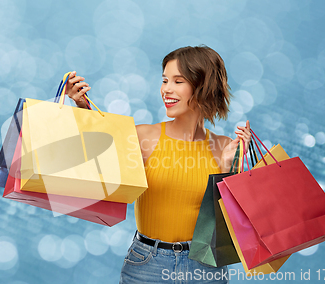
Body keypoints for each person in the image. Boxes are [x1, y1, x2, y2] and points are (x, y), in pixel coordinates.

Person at [66, 45, 251, 283]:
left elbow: (231, 230)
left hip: (206, 268)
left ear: (203, 87)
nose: (166, 89)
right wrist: (82, 106)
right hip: (147, 264)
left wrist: (228, 168)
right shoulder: (144, 137)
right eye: (165, 81)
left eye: (178, 81)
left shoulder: (225, 147)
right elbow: (99, 160)